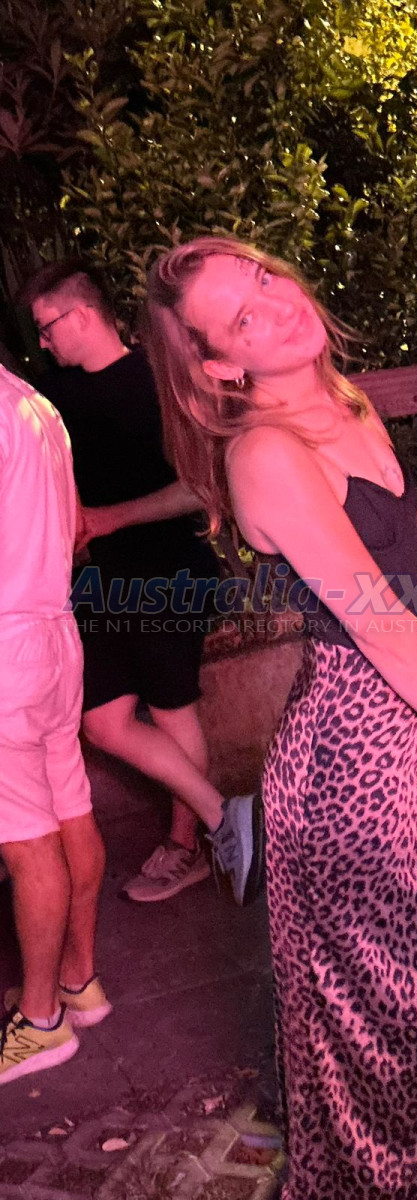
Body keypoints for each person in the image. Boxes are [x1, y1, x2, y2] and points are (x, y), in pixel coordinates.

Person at [143, 236, 417, 1199]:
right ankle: (382, 1179)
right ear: (221, 365)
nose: (275, 303)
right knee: (392, 999)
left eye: (262, 277)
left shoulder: (347, 403)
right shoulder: (264, 453)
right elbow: (377, 620)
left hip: (396, 738)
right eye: (241, 317)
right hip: (347, 759)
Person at [18, 261, 263, 906]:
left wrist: (107, 518)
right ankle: (225, 818)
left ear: (82, 315)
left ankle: (187, 847)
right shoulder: (52, 396)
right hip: (100, 581)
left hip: (169, 571)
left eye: (47, 327)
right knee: (101, 721)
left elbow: (201, 487)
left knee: (172, 707)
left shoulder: (158, 384)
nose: (42, 341)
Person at [0, 363, 110, 1085]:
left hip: (5, 646)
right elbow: (73, 531)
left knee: (25, 840)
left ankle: (40, 1022)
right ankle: (79, 982)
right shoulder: (33, 403)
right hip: (54, 634)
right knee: (69, 806)